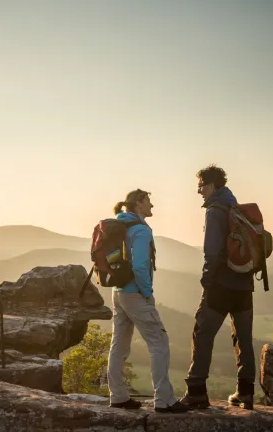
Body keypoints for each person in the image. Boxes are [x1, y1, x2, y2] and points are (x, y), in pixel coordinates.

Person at [179, 165, 256, 410]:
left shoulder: (215, 211)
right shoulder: (236, 207)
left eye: (201, 185)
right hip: (244, 284)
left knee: (202, 335)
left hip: (221, 285)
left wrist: (206, 280)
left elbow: (211, 253)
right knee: (243, 338)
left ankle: (196, 391)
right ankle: (245, 392)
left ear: (212, 185)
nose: (199, 190)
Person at [107, 189, 187, 413]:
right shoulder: (141, 230)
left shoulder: (120, 225)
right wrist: (147, 292)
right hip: (135, 294)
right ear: (139, 203)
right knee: (159, 343)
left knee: (119, 344)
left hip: (118, 291)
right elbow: (141, 265)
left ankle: (118, 396)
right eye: (149, 201)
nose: (152, 205)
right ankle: (164, 400)